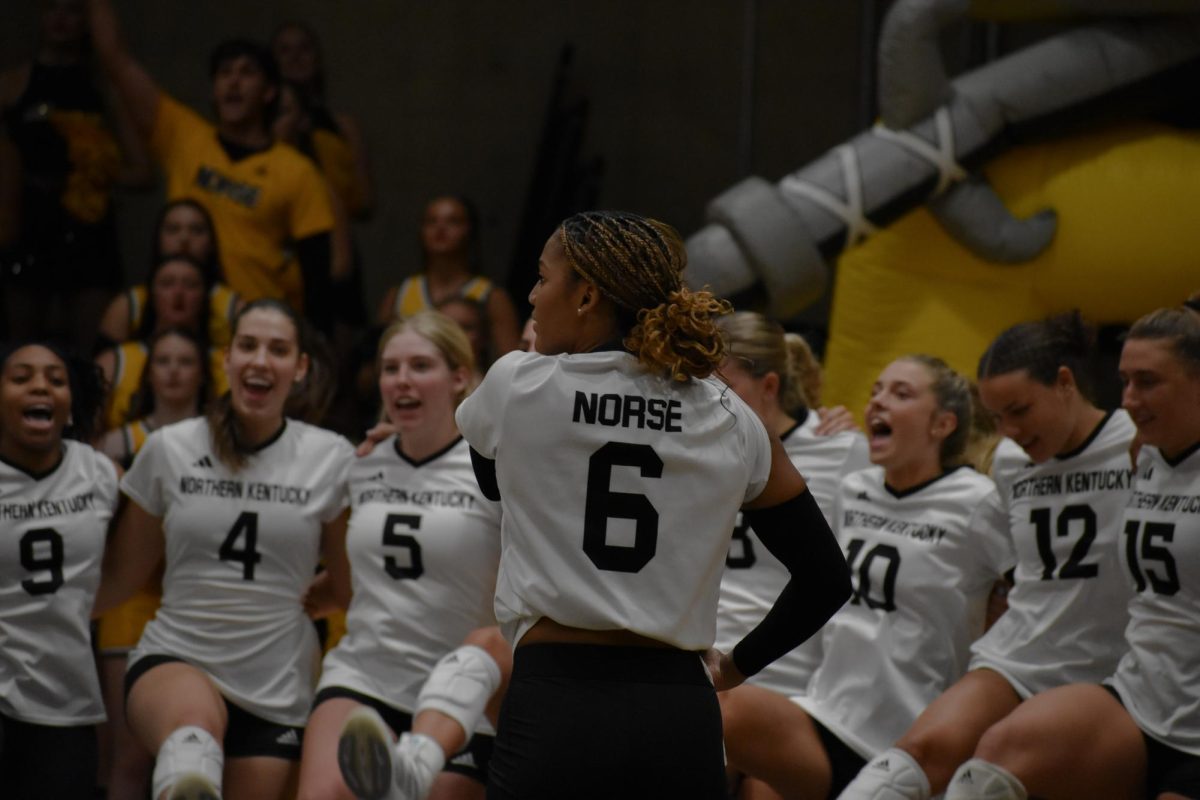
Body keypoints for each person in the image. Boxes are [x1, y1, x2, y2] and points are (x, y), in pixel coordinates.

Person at [342, 210, 851, 799]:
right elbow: (826, 578)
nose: (531, 297)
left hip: (557, 704)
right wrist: (737, 666)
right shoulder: (728, 414)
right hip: (679, 712)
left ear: (585, 296)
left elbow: (491, 480)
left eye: (541, 278)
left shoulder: (517, 383)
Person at [838, 313, 1137, 800]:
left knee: (986, 778)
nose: (1009, 430)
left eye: (1020, 410)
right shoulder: (1009, 462)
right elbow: (993, 563)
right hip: (1018, 657)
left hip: (1110, 669)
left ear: (1065, 383)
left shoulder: (1135, 444)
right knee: (898, 769)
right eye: (996, 417)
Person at [93, 298, 355, 800]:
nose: (260, 360)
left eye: (278, 350)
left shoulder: (331, 457)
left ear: (299, 368)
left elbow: (350, 587)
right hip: (177, 654)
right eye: (248, 346)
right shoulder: (171, 448)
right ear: (226, 359)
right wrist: (33, 612)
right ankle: (185, 771)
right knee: (193, 732)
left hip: (278, 682)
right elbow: (122, 578)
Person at [717, 355, 1011, 800]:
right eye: (876, 390)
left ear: (943, 424)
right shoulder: (857, 487)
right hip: (824, 713)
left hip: (911, 732)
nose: (878, 402)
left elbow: (1028, 591)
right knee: (710, 710)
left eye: (901, 393)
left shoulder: (977, 500)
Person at [938, 306, 1200, 800]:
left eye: (1147, 382)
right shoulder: (1143, 453)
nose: (1130, 400)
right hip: (1137, 697)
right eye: (1124, 381)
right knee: (989, 769)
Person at [299, 311, 507, 800]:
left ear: (459, 377)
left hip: (463, 696)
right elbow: (345, 578)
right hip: (365, 673)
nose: (402, 380)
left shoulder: (495, 470)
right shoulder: (363, 463)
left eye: (420, 365)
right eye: (390, 368)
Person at [87, 0, 339, 334]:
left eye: (246, 72)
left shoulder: (298, 171)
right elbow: (117, 61)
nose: (233, 82)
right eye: (224, 73)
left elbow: (318, 277)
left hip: (257, 326)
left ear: (269, 92)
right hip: (184, 321)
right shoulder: (183, 137)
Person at [714, 311, 869, 710]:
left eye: (724, 388)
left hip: (781, 664)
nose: (710, 402)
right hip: (702, 652)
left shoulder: (840, 449)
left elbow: (839, 578)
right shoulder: (700, 441)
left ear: (769, 385)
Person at [0, 340, 119, 800]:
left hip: (62, 702)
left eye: (55, 379)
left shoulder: (101, 474)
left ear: (71, 404)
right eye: (22, 377)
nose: (40, 387)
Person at [95, 326, 209, 800]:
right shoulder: (117, 443)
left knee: (189, 740)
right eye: (163, 360)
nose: (174, 370)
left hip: (196, 602)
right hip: (132, 599)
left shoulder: (220, 438)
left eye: (185, 360)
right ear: (148, 372)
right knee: (127, 754)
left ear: (203, 373)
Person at [0, 0, 152, 354]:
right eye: (51, 8)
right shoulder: (11, 83)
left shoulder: (104, 90)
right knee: (20, 349)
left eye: (71, 11)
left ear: (87, 22)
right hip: (28, 222)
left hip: (87, 228)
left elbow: (142, 172)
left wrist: (92, 174)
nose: (60, 19)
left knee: (88, 352)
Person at [95, 254, 229, 431]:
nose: (178, 293)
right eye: (167, 284)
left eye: (190, 285)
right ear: (151, 293)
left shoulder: (227, 363)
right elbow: (89, 439)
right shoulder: (113, 361)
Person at [378, 196, 522, 359]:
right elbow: (377, 360)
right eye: (431, 221)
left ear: (470, 230)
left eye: (453, 221)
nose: (440, 228)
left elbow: (511, 363)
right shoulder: (398, 294)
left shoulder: (492, 296)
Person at [98, 199, 242, 350]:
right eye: (173, 229)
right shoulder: (128, 306)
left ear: (212, 243)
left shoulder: (234, 309)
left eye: (196, 230)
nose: (184, 238)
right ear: (157, 239)